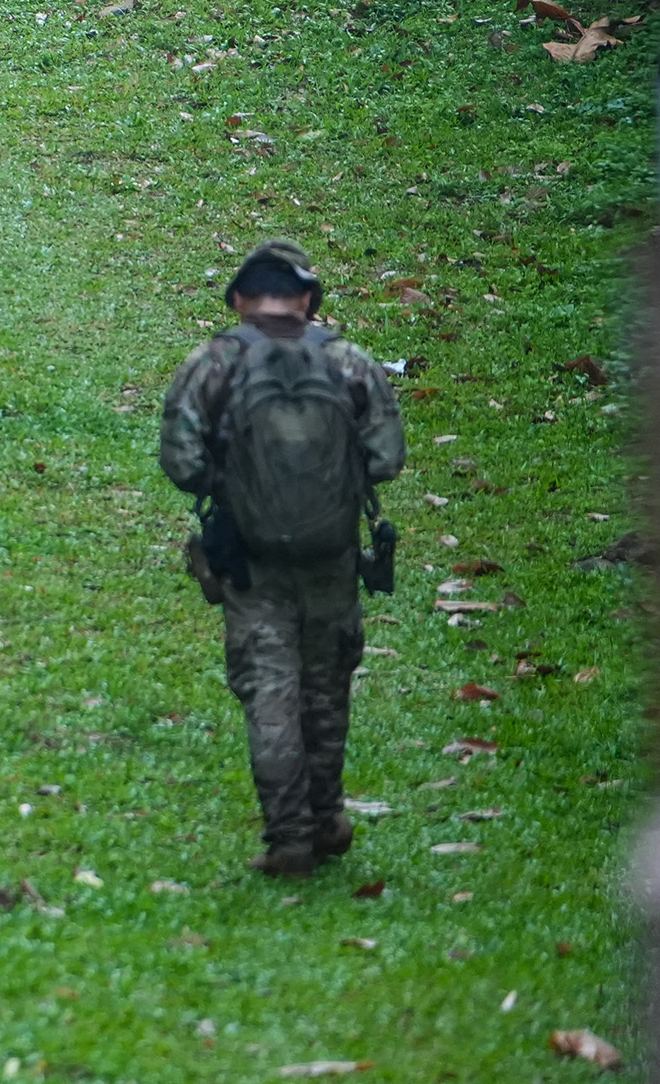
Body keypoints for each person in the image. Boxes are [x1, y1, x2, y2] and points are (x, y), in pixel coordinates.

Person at [158, 239, 405, 877]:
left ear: (239, 299)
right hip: (332, 555)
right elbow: (386, 459)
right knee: (326, 688)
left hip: (249, 558)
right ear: (307, 301)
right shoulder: (350, 363)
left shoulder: (214, 363)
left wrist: (234, 485)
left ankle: (289, 837)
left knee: (269, 690)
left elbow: (181, 463)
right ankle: (328, 816)